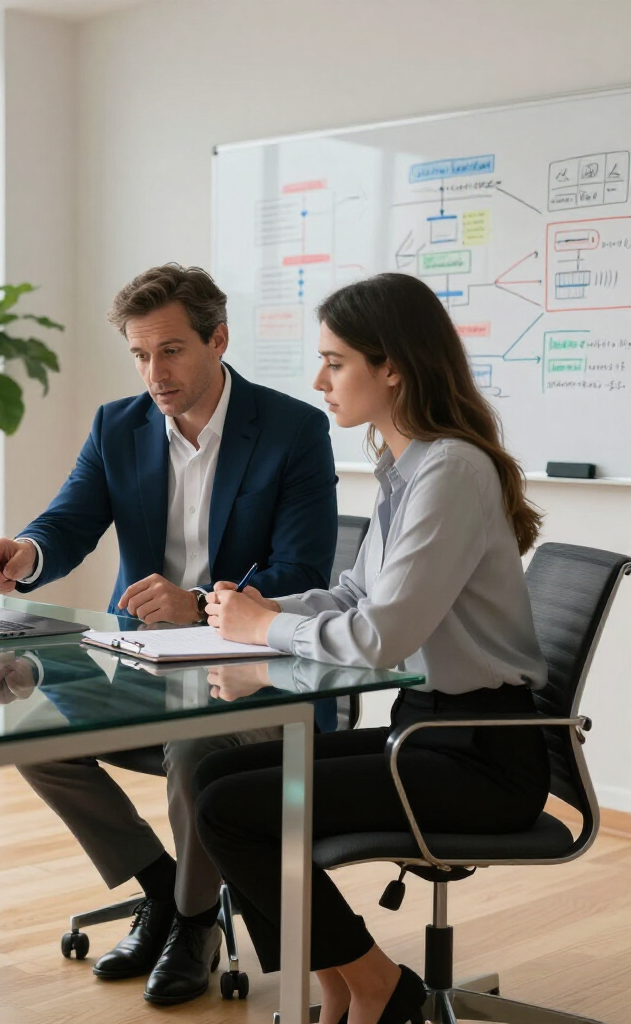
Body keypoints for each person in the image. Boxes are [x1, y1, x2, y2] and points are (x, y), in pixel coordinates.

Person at [0, 263, 338, 1005]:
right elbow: (69, 519)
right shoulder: (119, 424)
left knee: (194, 746)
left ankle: (197, 924)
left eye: (169, 350)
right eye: (139, 355)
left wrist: (199, 601)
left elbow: (301, 571)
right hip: (137, 662)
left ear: (218, 340)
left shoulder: (293, 429)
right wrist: (27, 553)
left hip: (254, 671)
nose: (154, 373)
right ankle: (162, 888)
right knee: (19, 716)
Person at [195, 272, 550, 1024]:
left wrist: (263, 631)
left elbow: (382, 636)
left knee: (233, 807)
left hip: (481, 754)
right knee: (216, 777)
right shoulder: (408, 466)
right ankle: (338, 984)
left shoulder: (451, 469)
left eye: (335, 361)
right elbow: (356, 598)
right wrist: (255, 610)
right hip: (424, 729)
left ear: (391, 366)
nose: (318, 379)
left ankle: (381, 988)